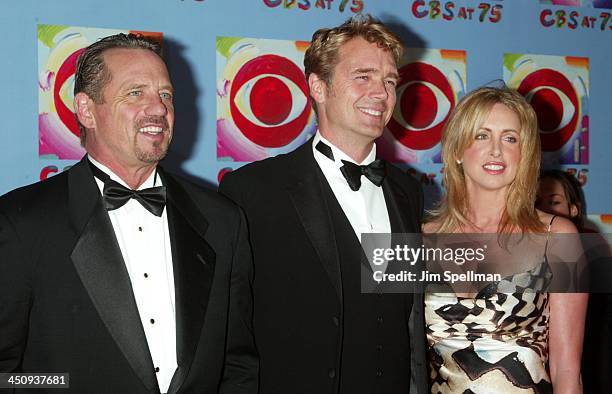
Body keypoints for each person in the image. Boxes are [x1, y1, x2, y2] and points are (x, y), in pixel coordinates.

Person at [0, 34, 257, 393]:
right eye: (135, 93)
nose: (158, 109)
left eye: (166, 95)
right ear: (86, 110)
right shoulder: (20, 222)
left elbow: (238, 365)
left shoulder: (222, 220)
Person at [219, 15, 427, 394]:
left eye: (390, 81)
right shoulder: (253, 191)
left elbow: (405, 319)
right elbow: (230, 330)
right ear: (318, 86)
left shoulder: (405, 192)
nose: (380, 92)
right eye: (362, 76)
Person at [423, 87, 587, 393]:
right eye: (482, 135)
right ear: (458, 150)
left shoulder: (558, 237)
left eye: (510, 138)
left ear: (524, 154)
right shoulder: (419, 239)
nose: (496, 150)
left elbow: (567, 370)